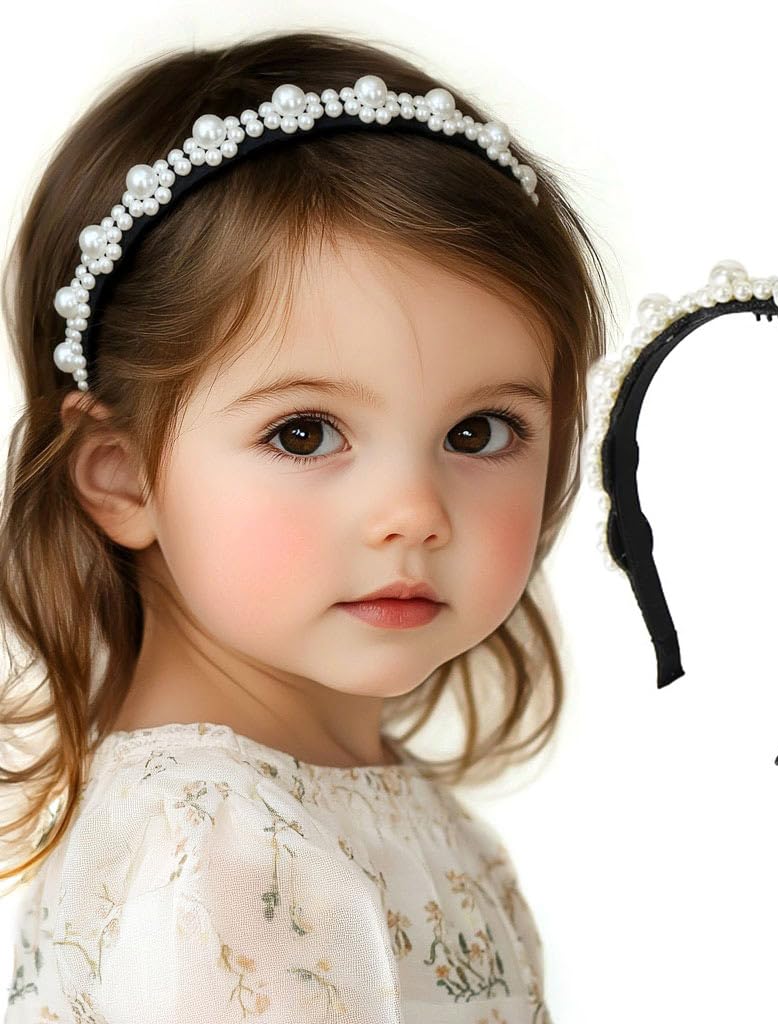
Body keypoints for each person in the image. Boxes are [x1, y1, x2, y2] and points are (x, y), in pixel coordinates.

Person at [0, 29, 611, 1023]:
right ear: (123, 475)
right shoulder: (220, 854)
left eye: (478, 431)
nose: (414, 513)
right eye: (304, 432)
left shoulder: (336, 809)